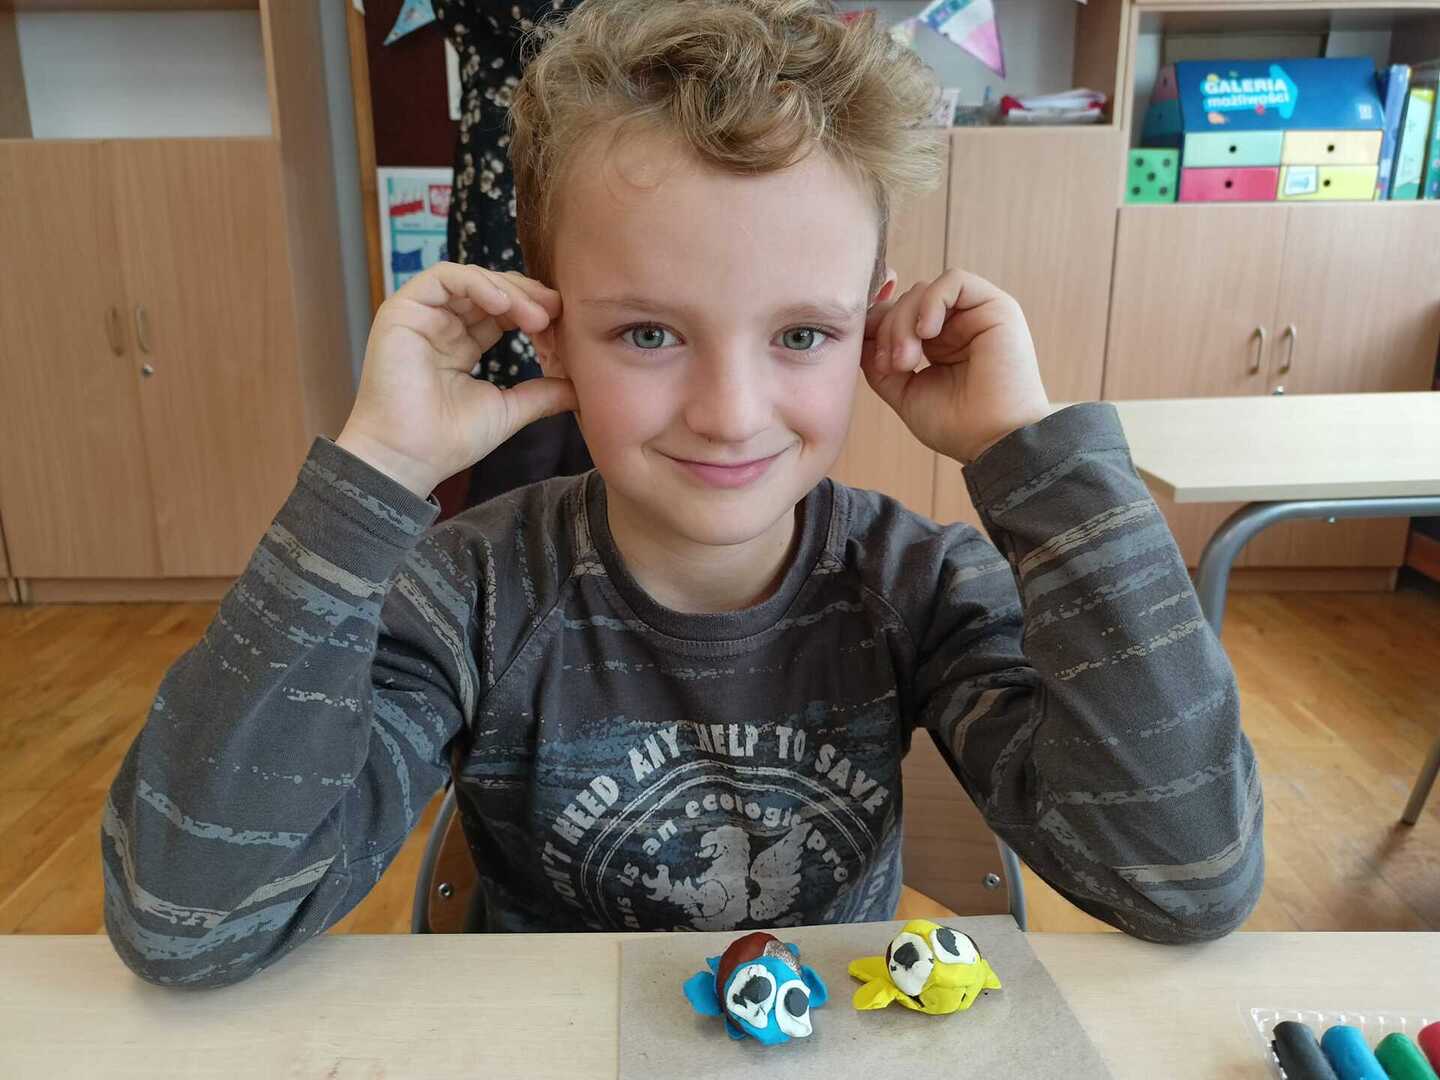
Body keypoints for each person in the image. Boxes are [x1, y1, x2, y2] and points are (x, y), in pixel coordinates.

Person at [101, 0, 1263, 988]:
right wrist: (374, 476)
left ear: (869, 327)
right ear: (550, 331)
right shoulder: (469, 591)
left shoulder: (920, 584)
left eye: (801, 333)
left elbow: (1187, 877)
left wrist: (1032, 453)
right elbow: (186, 922)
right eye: (649, 332)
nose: (730, 412)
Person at [432, 0, 593, 508]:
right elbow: (579, 23)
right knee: (526, 423)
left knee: (601, 398)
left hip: (608, 170)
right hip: (518, 177)